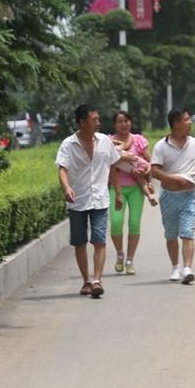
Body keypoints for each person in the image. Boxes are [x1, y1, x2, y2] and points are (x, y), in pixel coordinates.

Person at [55, 104, 133, 298]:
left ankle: (97, 280)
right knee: (79, 242)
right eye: (94, 119)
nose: (98, 122)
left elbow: (114, 165)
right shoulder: (68, 144)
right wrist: (67, 187)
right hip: (78, 199)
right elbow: (62, 168)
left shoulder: (105, 141)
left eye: (98, 119)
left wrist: (119, 192)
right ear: (82, 122)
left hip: (100, 199)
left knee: (99, 240)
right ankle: (86, 281)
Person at [150, 108, 195, 285]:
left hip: (190, 196)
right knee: (171, 235)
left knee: (187, 233)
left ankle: (188, 268)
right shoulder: (161, 146)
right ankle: (175, 267)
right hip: (169, 196)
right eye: (186, 119)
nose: (190, 122)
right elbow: (154, 170)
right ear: (176, 124)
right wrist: (172, 179)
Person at [108, 110, 158, 276]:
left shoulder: (139, 141)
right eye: (120, 122)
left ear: (130, 122)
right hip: (116, 188)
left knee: (134, 223)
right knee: (116, 222)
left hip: (136, 188)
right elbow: (108, 163)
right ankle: (120, 253)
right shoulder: (109, 142)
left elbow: (150, 162)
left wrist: (147, 178)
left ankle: (130, 259)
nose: (123, 124)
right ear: (115, 125)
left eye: (126, 121)